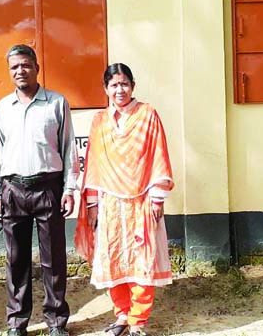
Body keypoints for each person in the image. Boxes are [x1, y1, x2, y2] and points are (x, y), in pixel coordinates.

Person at [75, 63, 174, 336]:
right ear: (106, 89)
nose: (120, 89)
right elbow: (93, 163)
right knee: (113, 260)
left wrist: (157, 198)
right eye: (114, 85)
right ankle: (121, 316)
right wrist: (93, 204)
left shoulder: (147, 115)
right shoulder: (99, 121)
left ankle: (137, 321)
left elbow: (158, 154)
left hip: (142, 200)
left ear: (133, 85)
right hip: (109, 203)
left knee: (143, 261)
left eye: (124, 84)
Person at [0, 44, 78, 336]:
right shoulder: (3, 107)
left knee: (53, 259)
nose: (20, 71)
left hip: (48, 188)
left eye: (26, 65)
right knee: (16, 260)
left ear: (37, 67)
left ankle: (56, 321)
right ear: (9, 71)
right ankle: (17, 322)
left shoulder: (56, 103)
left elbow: (68, 150)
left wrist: (69, 189)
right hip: (13, 189)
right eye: (15, 66)